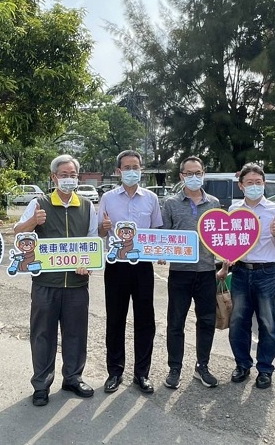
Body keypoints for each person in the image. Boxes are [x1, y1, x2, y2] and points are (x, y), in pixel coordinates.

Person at [13, 154, 98, 407]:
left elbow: (93, 241)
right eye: (63, 175)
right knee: (42, 335)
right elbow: (18, 234)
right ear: (53, 177)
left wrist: (89, 264)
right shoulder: (38, 204)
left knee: (76, 334)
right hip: (45, 284)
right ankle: (41, 384)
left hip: (76, 285)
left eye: (73, 175)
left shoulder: (86, 205)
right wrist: (32, 222)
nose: (69, 179)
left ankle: (72, 377)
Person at [218, 163, 275, 389]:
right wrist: (225, 267)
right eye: (250, 183)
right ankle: (242, 364)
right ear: (241, 186)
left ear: (264, 184)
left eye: (258, 183)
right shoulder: (234, 210)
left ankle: (265, 369)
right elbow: (230, 246)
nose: (255, 187)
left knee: (268, 323)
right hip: (240, 272)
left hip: (266, 273)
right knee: (239, 321)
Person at [98, 150, 163, 394]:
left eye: (135, 166)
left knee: (145, 320)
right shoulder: (107, 198)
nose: (131, 171)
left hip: (143, 266)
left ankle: (142, 374)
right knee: (115, 319)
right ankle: (114, 372)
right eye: (126, 167)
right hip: (115, 265)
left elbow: (158, 231)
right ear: (118, 171)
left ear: (141, 169)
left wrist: (162, 253)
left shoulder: (151, 199)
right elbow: (100, 234)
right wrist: (104, 229)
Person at [159, 156, 221, 389]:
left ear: (203, 173)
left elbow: (220, 238)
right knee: (176, 322)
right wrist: (162, 252)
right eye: (189, 173)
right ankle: (174, 368)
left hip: (207, 272)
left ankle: (202, 367)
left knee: (206, 321)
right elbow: (163, 235)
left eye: (198, 172)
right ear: (181, 176)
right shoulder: (171, 203)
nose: (194, 177)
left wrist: (224, 265)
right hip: (180, 273)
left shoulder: (214, 203)